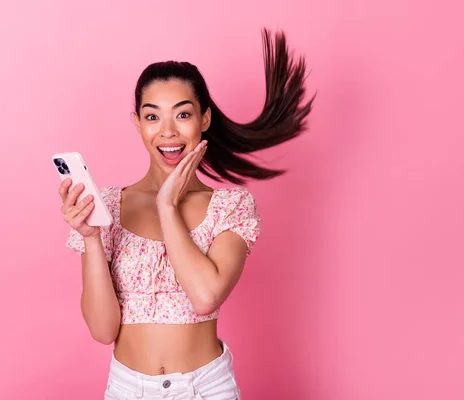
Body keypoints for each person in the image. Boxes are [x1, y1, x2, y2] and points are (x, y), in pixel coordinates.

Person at [57, 28, 314, 400]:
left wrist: (167, 206)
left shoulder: (231, 207)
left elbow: (205, 296)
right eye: (152, 117)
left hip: (206, 389)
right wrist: (92, 236)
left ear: (204, 119)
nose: (167, 132)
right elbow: (102, 330)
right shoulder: (108, 206)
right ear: (137, 123)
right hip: (127, 389)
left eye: (182, 114)